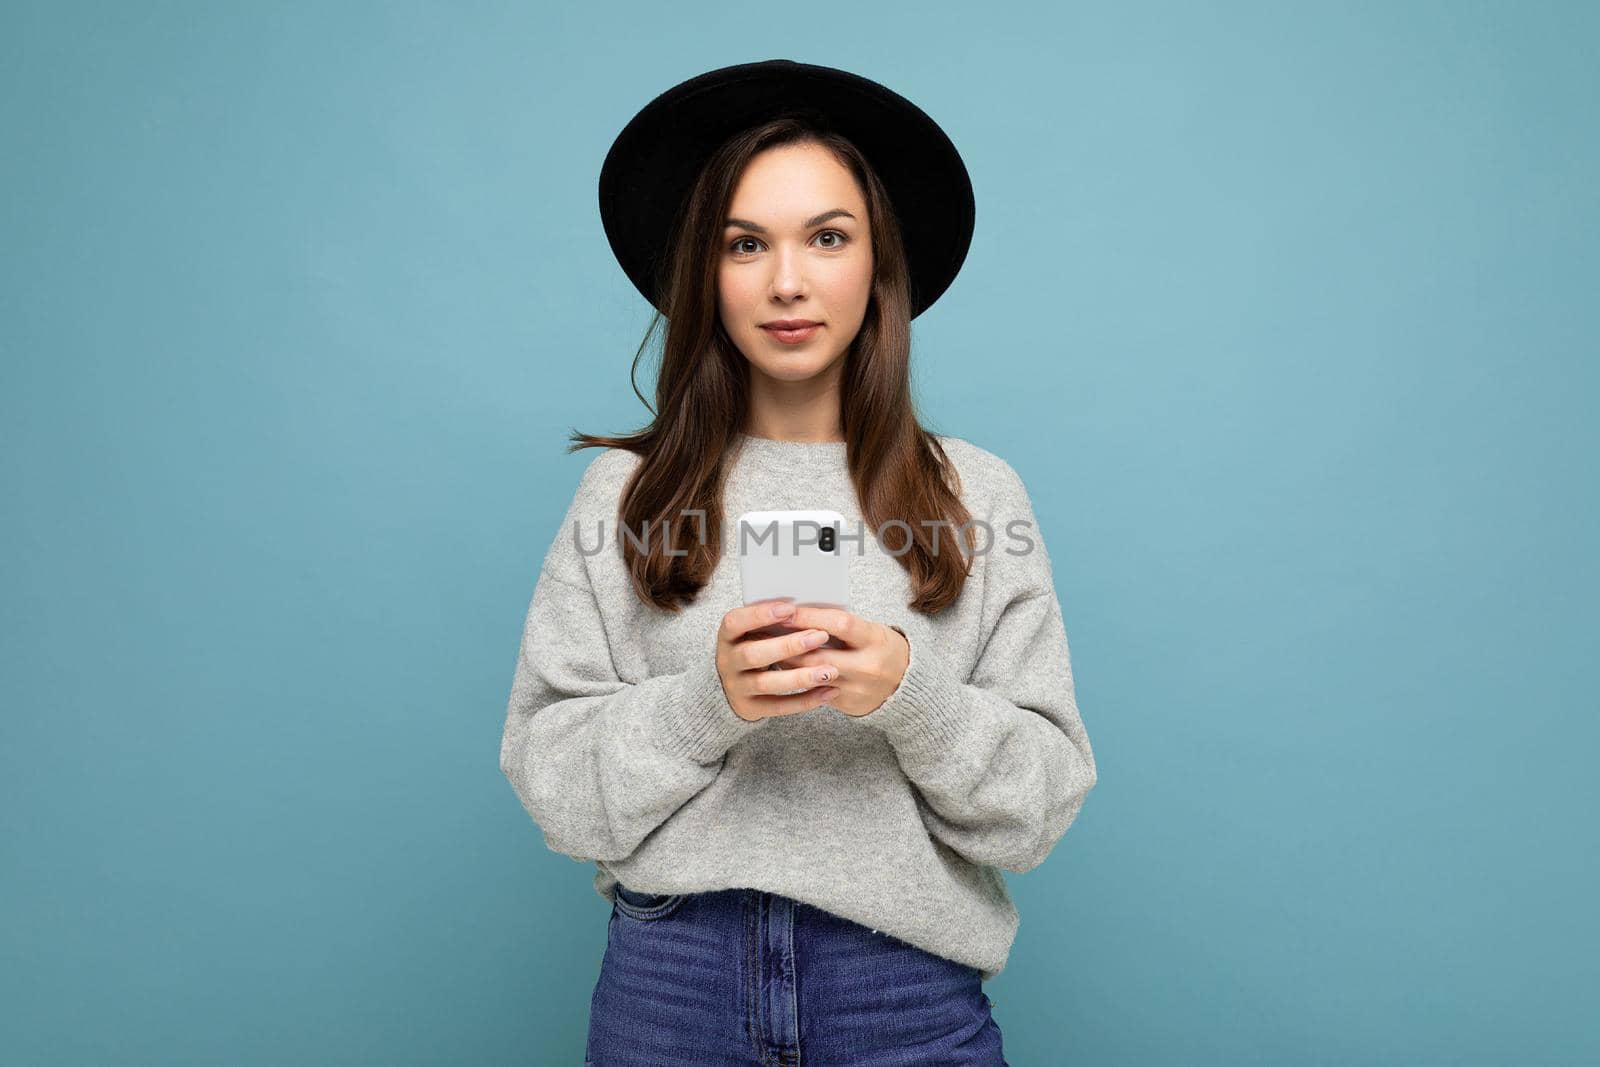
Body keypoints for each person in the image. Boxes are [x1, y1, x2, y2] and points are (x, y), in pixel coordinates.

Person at [499, 59, 1097, 1066]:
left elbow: (1035, 814)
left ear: (878, 264)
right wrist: (708, 699)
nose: (788, 281)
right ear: (705, 271)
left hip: (903, 984)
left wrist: (910, 693)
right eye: (746, 244)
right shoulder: (623, 496)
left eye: (827, 236)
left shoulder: (977, 495)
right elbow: (553, 784)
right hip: (671, 984)